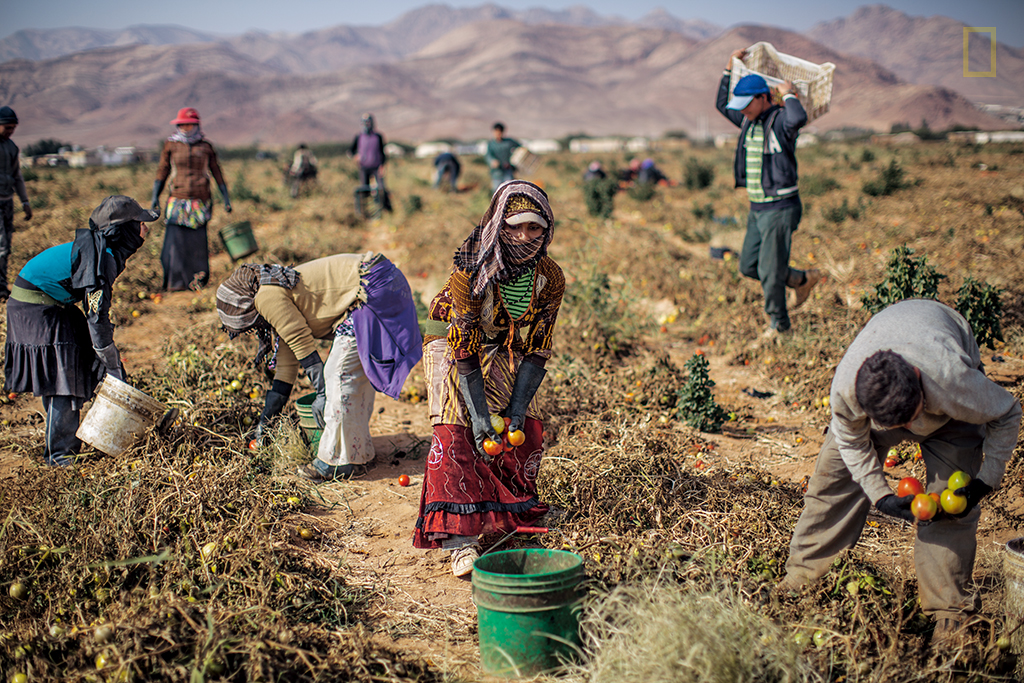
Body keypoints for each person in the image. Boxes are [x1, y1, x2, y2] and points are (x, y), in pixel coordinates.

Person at [780, 299, 1021, 642]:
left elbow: (1007, 412)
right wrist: (880, 497)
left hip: (949, 410)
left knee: (948, 506)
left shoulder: (953, 379)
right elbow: (851, 444)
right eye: (900, 426)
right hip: (887, 400)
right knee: (832, 483)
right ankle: (802, 580)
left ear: (919, 379)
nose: (910, 431)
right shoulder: (847, 392)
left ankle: (950, 611)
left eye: (913, 417)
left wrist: (986, 481)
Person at [414, 180, 563, 577]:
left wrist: (515, 408)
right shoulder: (471, 268)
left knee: (523, 426)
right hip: (450, 339)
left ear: (547, 229)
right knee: (456, 427)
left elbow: (538, 347)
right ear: (498, 224)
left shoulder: (549, 277)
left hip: (500, 342)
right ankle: (460, 541)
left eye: (534, 227)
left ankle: (505, 519)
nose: (524, 236)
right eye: (515, 226)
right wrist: (479, 417)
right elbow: (463, 349)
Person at [216, 253, 422, 481]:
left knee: (338, 374)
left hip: (371, 286)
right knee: (351, 375)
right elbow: (286, 369)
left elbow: (300, 340)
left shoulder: (265, 297)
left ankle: (333, 463)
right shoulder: (274, 292)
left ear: (244, 306)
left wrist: (323, 392)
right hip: (380, 279)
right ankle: (359, 454)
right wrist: (265, 424)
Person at [3, 196, 158, 465]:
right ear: (124, 230)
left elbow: (95, 312)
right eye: (140, 223)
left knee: (81, 362)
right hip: (35, 307)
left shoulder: (103, 251)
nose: (145, 229)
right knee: (65, 376)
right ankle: (60, 456)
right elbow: (97, 315)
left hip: (50, 303)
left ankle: (67, 443)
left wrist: (105, 357)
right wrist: (110, 360)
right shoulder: (102, 259)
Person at [716, 49, 821, 338]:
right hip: (758, 207)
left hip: (780, 206)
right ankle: (801, 279)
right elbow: (721, 104)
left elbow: (798, 118)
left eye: (747, 104)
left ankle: (779, 327)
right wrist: (729, 68)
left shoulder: (780, 121)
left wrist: (788, 95)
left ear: (764, 98)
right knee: (749, 265)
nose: (742, 110)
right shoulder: (747, 121)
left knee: (770, 271)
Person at [151, 107, 232, 292]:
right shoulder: (171, 145)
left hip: (199, 201)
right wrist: (155, 196)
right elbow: (162, 171)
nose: (185, 128)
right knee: (175, 242)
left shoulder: (205, 147)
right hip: (177, 200)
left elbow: (217, 172)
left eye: (189, 124)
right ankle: (175, 282)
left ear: (196, 126)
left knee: (197, 242)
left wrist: (226, 198)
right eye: (182, 125)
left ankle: (197, 280)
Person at [0, 106, 32, 300]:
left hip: (7, 202)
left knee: (6, 246)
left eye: (13, 128)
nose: (11, 131)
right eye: (7, 127)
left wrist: (25, 201)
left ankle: (2, 286)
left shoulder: (12, 147)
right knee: (1, 246)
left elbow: (17, 176)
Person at [350, 113, 387, 192]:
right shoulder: (359, 136)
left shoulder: (378, 136)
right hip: (363, 168)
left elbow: (382, 152)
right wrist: (356, 156)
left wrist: (382, 166)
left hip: (376, 167)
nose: (367, 124)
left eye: (368, 122)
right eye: (365, 122)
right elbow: (351, 151)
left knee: (381, 189)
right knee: (364, 190)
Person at [484, 122, 520, 194]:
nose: (497, 134)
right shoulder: (491, 144)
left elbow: (520, 149)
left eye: (499, 132)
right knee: (497, 192)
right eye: (496, 132)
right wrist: (492, 161)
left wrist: (513, 161)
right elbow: (488, 155)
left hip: (508, 171)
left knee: (510, 190)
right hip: (496, 173)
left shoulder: (509, 142)